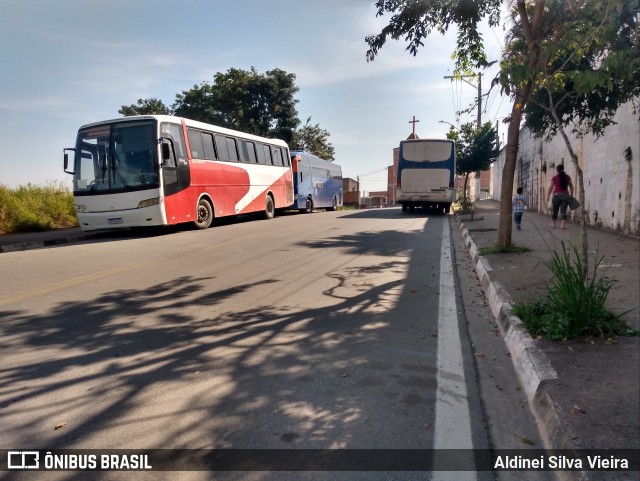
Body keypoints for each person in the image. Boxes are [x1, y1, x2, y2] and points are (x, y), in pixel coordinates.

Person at [547, 164, 574, 229]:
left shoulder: (554, 177)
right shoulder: (567, 177)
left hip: (556, 195)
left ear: (557, 170)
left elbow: (550, 187)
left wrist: (548, 196)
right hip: (565, 195)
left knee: (555, 210)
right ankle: (562, 225)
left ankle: (553, 224)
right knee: (563, 210)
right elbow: (571, 187)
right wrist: (571, 195)